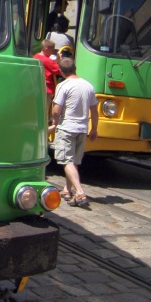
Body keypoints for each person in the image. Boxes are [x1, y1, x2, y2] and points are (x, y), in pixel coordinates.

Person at [50, 57, 98, 207]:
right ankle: (67, 190)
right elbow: (94, 111)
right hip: (82, 129)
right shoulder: (88, 86)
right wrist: (94, 128)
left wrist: (54, 123)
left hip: (67, 128)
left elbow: (57, 109)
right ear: (74, 68)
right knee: (74, 161)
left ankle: (80, 192)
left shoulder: (63, 86)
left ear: (61, 71)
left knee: (66, 161)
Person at [33, 38, 61, 124]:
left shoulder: (35, 56)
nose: (52, 52)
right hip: (47, 89)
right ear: (46, 49)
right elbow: (59, 70)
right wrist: (59, 60)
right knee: (45, 111)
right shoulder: (47, 61)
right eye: (52, 50)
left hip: (37, 87)